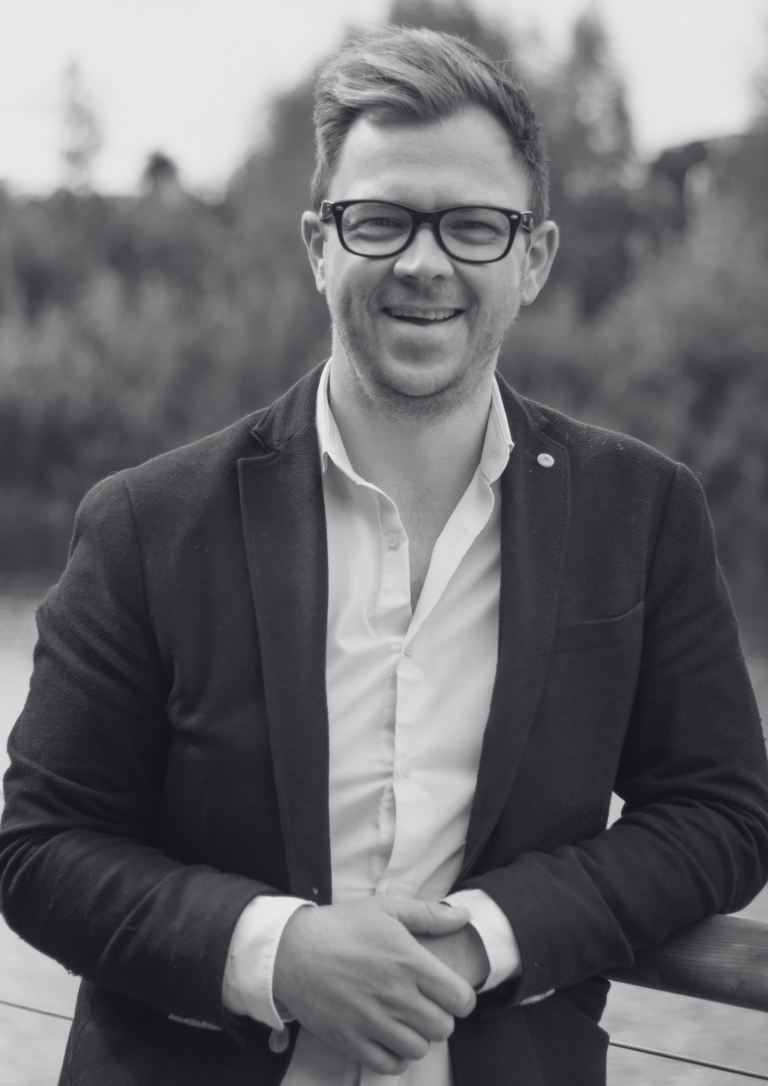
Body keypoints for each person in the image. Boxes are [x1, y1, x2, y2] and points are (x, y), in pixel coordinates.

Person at [2, 26, 767, 1086]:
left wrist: (492, 935)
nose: (423, 261)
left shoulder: (643, 513)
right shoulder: (145, 522)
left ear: (535, 258)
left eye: (475, 226)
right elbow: (41, 847)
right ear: (321, 244)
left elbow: (722, 816)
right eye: (381, 219)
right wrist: (274, 953)